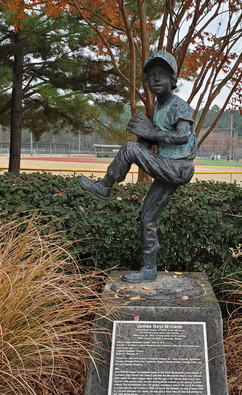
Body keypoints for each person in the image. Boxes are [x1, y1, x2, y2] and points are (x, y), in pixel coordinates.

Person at [79, 50, 196, 283]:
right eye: (151, 76)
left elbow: (182, 136)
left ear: (173, 80)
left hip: (179, 167)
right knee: (147, 217)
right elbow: (156, 141)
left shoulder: (179, 106)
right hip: (167, 165)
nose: (155, 79)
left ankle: (105, 186)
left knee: (129, 149)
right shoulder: (158, 110)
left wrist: (150, 134)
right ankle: (149, 269)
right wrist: (144, 136)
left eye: (161, 75)